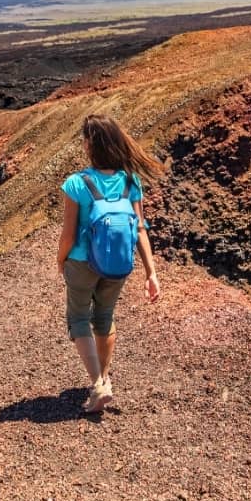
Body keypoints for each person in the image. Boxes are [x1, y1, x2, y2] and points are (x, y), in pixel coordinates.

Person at [58, 113, 163, 413]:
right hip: (117, 264)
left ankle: (98, 385)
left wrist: (60, 259)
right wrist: (151, 273)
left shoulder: (77, 183)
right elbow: (140, 229)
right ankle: (103, 377)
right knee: (104, 317)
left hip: (81, 263)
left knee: (79, 319)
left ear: (90, 144)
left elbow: (68, 234)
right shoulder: (131, 181)